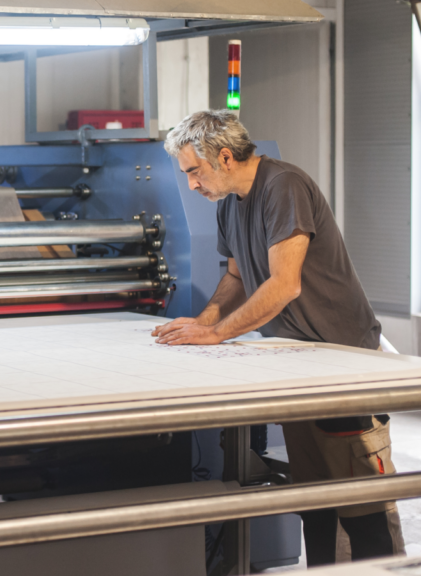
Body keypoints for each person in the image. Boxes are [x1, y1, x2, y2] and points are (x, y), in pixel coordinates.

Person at [153, 110, 404, 565]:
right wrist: (204, 322)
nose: (191, 184)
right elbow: (236, 277)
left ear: (224, 157)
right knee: (316, 502)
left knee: (361, 501)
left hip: (342, 364)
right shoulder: (230, 203)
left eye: (194, 171)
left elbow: (284, 284)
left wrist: (218, 334)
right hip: (298, 366)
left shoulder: (282, 186)